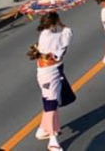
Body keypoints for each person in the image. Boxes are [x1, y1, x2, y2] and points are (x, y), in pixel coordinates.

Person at [28, 11, 75, 151]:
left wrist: (57, 23)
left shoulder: (44, 34)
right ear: (54, 24)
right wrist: (62, 24)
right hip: (50, 72)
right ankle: (52, 139)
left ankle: (43, 129)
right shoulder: (53, 37)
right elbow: (68, 35)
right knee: (51, 103)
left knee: (50, 101)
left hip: (48, 71)